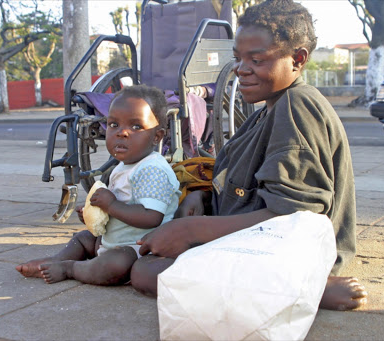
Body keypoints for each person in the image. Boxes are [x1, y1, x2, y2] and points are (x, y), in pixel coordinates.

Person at [131, 0, 368, 311]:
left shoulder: (297, 108)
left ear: (297, 59)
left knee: (146, 273)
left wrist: (191, 232)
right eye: (237, 58)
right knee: (148, 263)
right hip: (257, 243)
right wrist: (203, 198)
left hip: (283, 256)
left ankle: (298, 291)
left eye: (256, 60)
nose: (241, 69)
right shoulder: (268, 109)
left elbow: (295, 218)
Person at [15, 85, 181, 285]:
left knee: (116, 263)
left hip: (139, 249)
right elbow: (122, 205)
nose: (123, 133)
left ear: (157, 136)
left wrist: (110, 206)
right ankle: (57, 259)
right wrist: (95, 213)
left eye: (136, 127)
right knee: (84, 238)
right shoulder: (125, 165)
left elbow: (151, 217)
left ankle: (70, 268)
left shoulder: (152, 169)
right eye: (114, 125)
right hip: (114, 241)